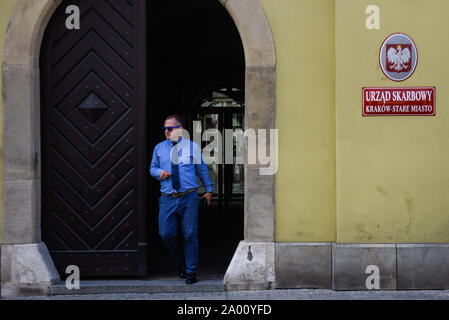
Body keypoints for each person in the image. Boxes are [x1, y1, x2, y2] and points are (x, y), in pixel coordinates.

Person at [149, 114, 213, 284]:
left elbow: (202, 170)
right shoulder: (159, 148)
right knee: (166, 234)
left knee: (190, 234)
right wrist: (158, 173)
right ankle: (181, 260)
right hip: (167, 198)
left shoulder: (193, 147)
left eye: (169, 128)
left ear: (180, 130)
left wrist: (209, 189)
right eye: (164, 129)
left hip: (189, 197)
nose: (166, 131)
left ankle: (191, 271)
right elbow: (152, 168)